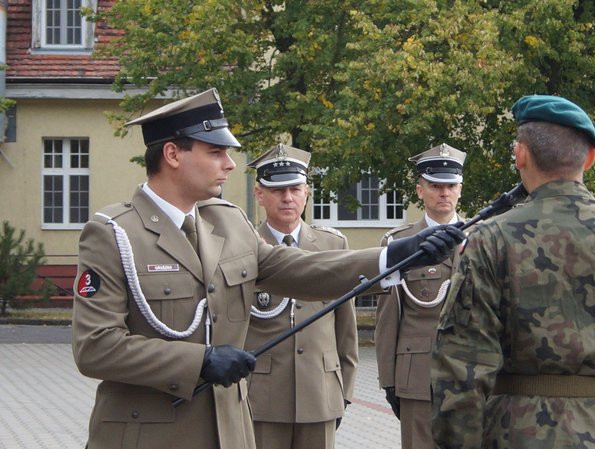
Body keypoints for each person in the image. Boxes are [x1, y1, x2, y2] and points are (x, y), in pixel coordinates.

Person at [71, 88, 464, 449]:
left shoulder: (227, 223)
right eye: (215, 152)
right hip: (150, 434)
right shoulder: (114, 233)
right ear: (173, 155)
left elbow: (303, 269)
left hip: (230, 430)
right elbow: (96, 347)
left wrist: (396, 255)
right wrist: (200, 362)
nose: (229, 164)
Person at [430, 95, 595, 449]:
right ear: (591, 158)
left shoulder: (491, 240)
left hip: (512, 433)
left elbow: (460, 371)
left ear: (520, 154)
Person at [244, 144, 357, 449]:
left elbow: (346, 328)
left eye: (295, 188)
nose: (288, 198)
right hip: (262, 397)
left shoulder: (332, 244)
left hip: (319, 392)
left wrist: (343, 390)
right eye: (278, 190)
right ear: (259, 194)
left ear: (307, 192)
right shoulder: (242, 247)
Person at [375, 143, 466, 449]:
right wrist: (389, 379)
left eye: (450, 185)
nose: (444, 193)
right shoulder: (399, 244)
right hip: (418, 378)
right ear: (419, 190)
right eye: (435, 185)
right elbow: (389, 318)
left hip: (473, 376)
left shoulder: (484, 240)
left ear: (460, 190)